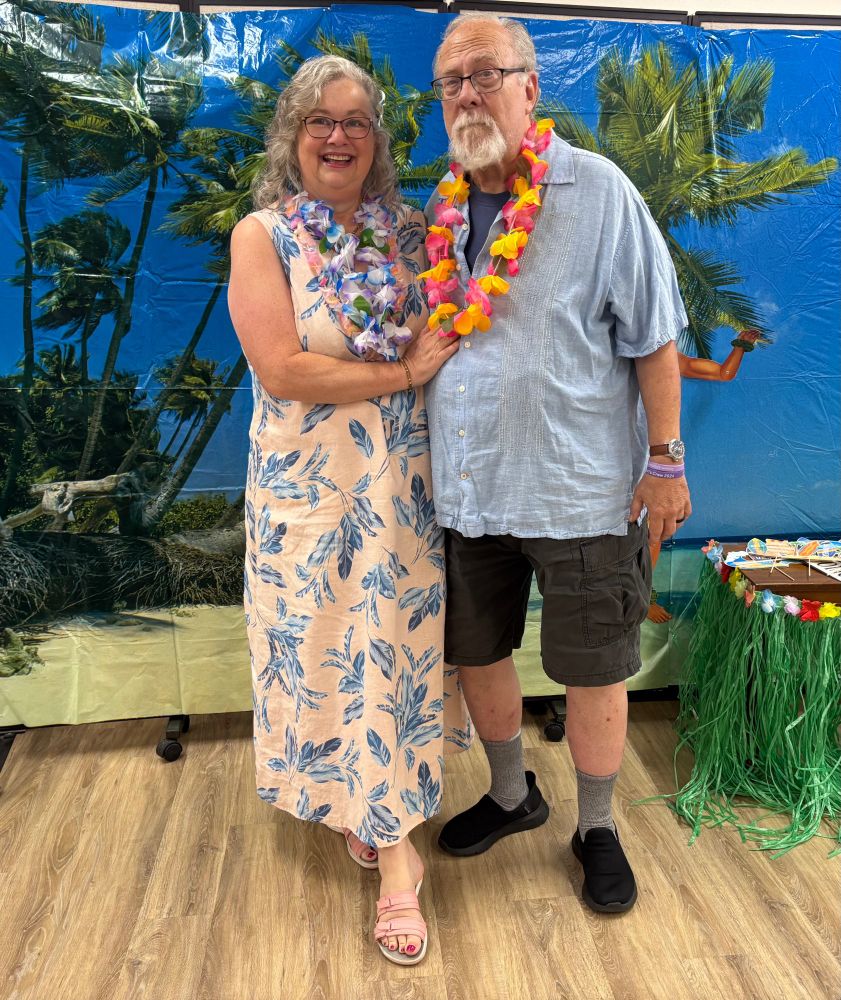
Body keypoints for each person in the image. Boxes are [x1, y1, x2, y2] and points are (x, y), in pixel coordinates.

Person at [422, 12, 691, 914]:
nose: (467, 92)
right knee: (476, 653)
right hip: (468, 489)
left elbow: (654, 337)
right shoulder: (444, 205)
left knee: (593, 667)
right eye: (450, 80)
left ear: (529, 87)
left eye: (484, 73)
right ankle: (510, 795)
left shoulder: (599, 190)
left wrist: (665, 460)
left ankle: (598, 827)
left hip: (580, 491)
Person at [228, 55, 469, 965]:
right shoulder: (265, 237)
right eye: (319, 121)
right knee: (328, 657)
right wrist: (403, 371)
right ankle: (359, 806)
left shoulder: (413, 234)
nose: (338, 136)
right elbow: (282, 367)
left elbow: (463, 323)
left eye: (356, 122)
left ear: (377, 141)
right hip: (307, 498)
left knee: (397, 665)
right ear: (293, 137)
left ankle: (397, 859)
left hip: (402, 496)